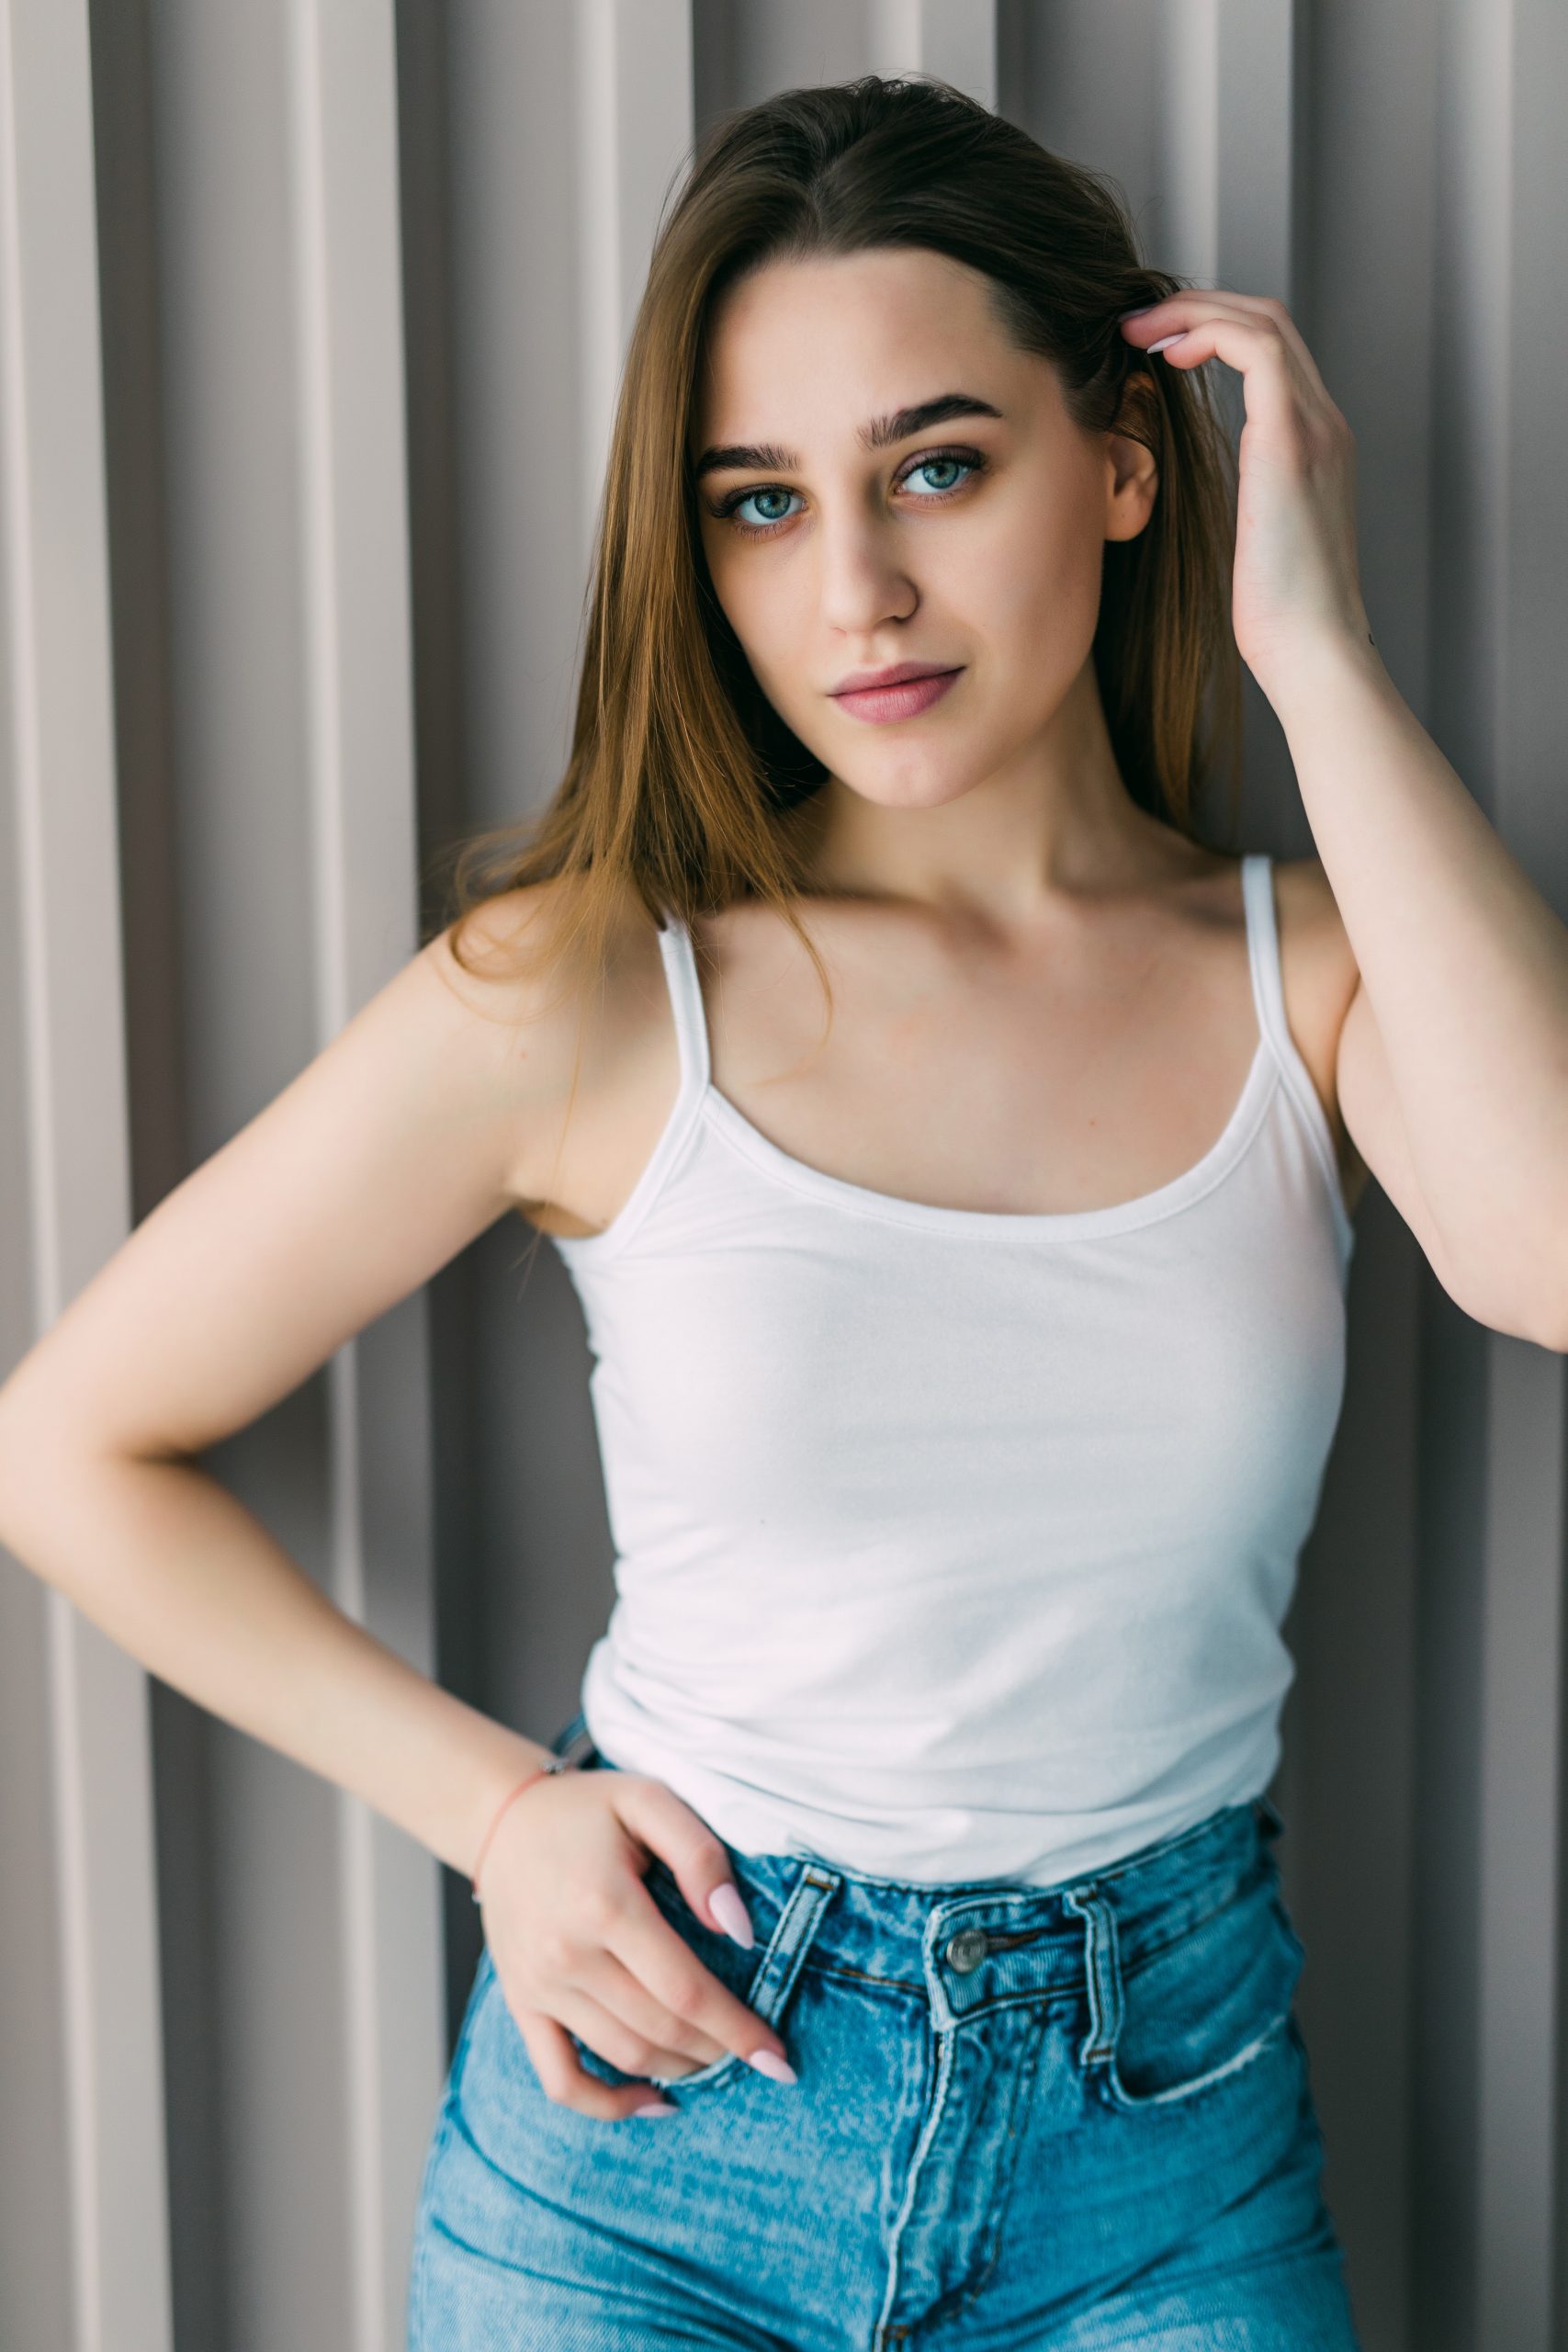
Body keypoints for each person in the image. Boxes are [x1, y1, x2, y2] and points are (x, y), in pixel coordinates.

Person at [3, 72, 1566, 2352]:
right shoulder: (585, 993)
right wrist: (497, 1813)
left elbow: (1541, 1249)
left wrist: (1308, 651)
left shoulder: (1309, 974)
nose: (851, 590)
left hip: (1161, 2143)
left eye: (938, 463)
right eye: (759, 504)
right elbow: (67, 1442)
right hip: (651, 2132)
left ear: (1122, 466)